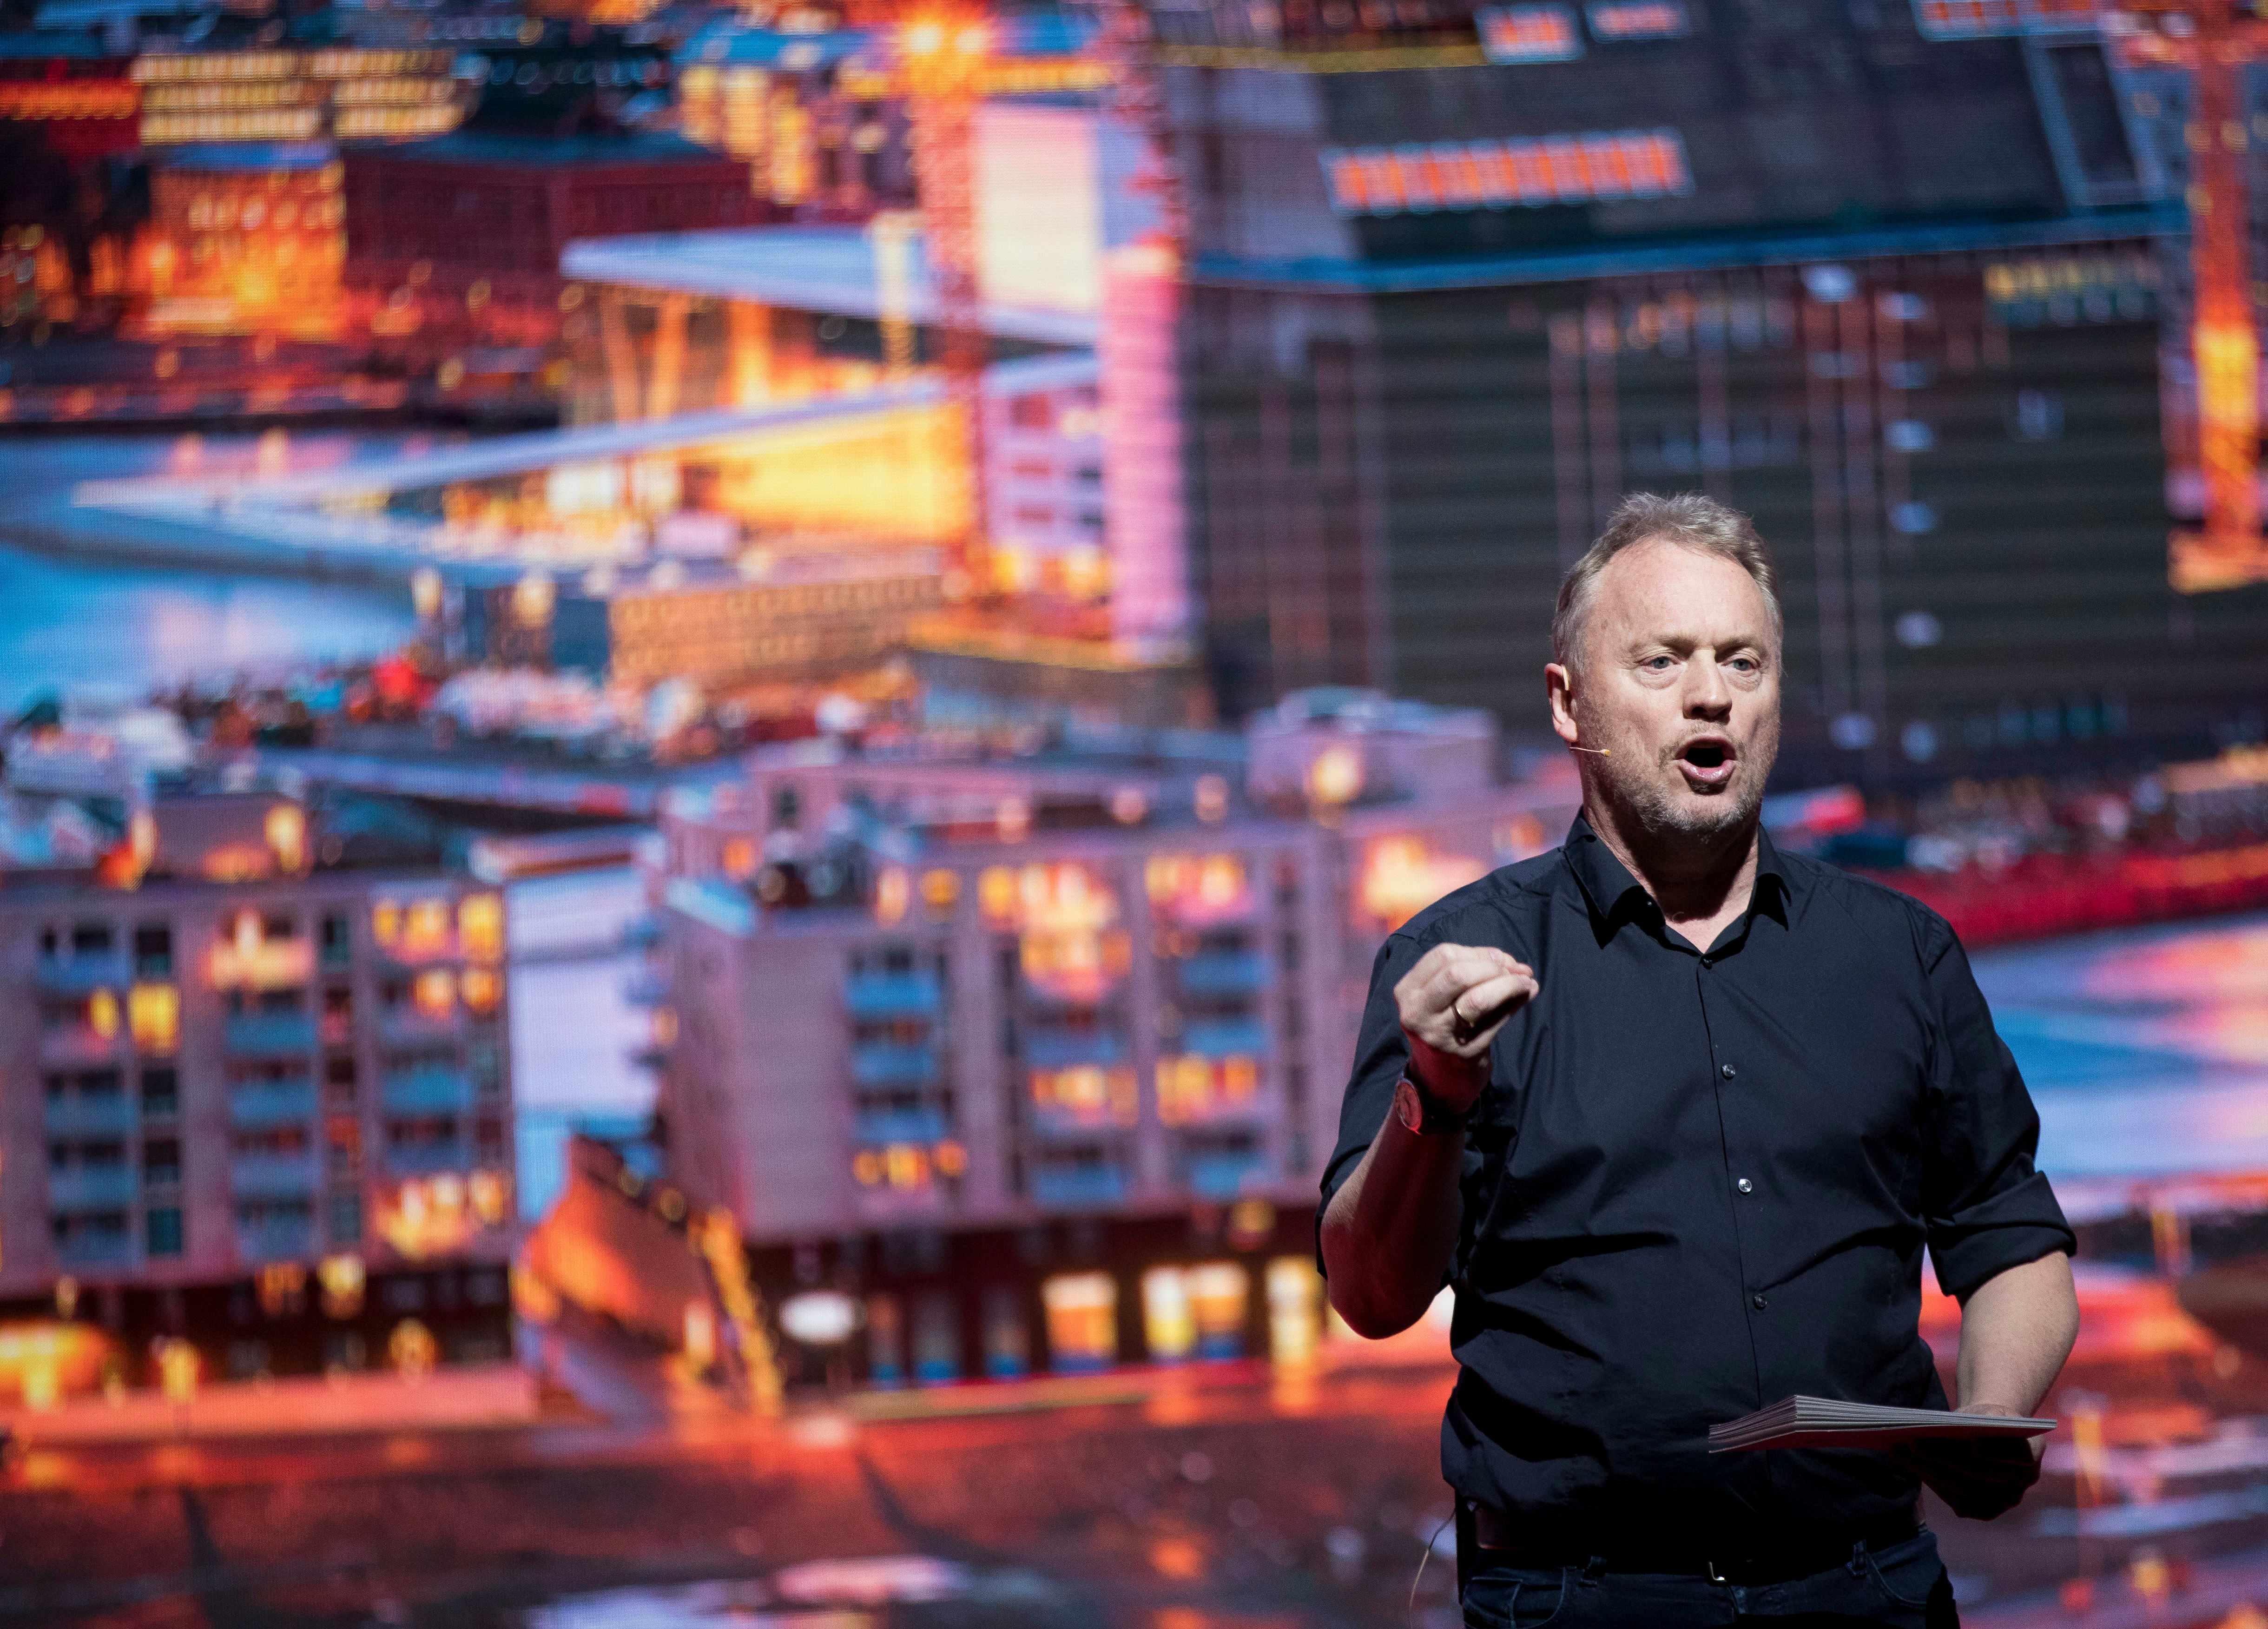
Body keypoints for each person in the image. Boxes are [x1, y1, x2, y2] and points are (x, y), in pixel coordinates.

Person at [1317, 493, 2078, 1628]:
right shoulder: (1456, 962)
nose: (1711, 692)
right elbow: (1370, 1296)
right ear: (1568, 702)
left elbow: (2010, 1236)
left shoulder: (1900, 955)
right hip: (1578, 1601)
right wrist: (1434, 1094)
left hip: (1866, 1586)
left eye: (1742, 660)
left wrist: (1992, 1412)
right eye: (1662, 660)